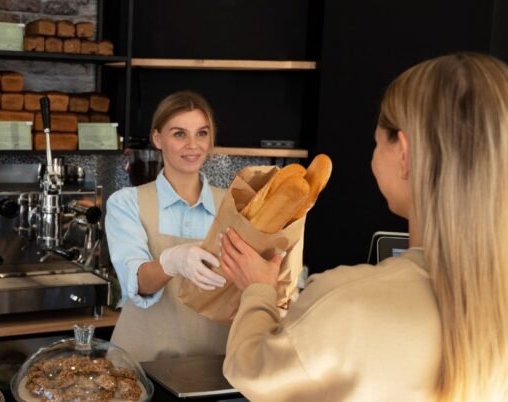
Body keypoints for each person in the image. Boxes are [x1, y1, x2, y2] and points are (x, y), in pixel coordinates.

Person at [220, 52, 508, 401]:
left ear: (404, 154)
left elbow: (251, 370)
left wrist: (258, 291)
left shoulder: (347, 302)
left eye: (377, 142)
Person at [105, 90, 229, 363]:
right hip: (140, 366)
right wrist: (172, 262)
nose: (193, 145)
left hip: (215, 365)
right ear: (158, 138)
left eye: (202, 133)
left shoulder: (234, 206)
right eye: (179, 134)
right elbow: (137, 281)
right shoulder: (127, 203)